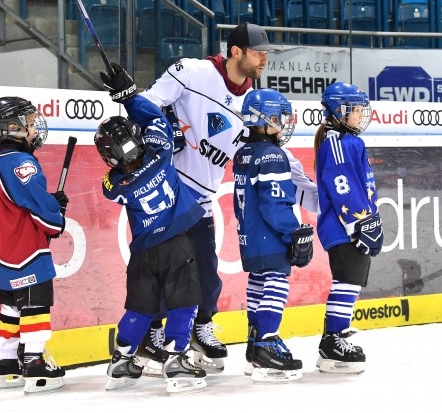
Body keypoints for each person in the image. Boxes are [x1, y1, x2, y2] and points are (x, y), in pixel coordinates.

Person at [140, 22, 319, 374]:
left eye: (267, 53)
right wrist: (163, 125)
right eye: (258, 52)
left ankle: (198, 328)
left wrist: (321, 198)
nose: (265, 59)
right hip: (170, 192)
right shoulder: (192, 71)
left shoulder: (253, 103)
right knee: (167, 272)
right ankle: (150, 335)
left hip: (203, 200)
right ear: (235, 51)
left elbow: (281, 161)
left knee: (208, 275)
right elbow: (147, 104)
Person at [96, 63, 207, 395]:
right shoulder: (159, 152)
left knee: (140, 306)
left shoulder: (114, 184)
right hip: (176, 244)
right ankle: (176, 356)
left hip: (143, 252)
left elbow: (111, 184)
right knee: (184, 299)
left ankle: (122, 357)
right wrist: (129, 96)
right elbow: (155, 120)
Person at [0, 97, 68, 394]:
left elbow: (12, 204)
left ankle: (5, 363)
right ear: (13, 128)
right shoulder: (22, 163)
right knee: (35, 305)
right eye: (29, 123)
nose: (35, 127)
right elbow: (36, 206)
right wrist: (55, 215)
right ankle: (33, 362)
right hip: (25, 251)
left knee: (10, 308)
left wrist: (48, 203)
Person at [233, 88, 314, 383]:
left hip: (249, 235)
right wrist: (292, 231)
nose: (284, 122)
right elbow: (275, 201)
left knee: (257, 282)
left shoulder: (243, 152)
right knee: (276, 281)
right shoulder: (272, 154)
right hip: (269, 234)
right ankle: (267, 341)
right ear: (263, 120)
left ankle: (255, 345)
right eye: (280, 117)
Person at [313, 82, 384, 374]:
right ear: (339, 110)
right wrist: (359, 224)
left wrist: (371, 217)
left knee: (351, 281)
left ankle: (335, 337)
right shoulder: (336, 142)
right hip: (344, 228)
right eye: (354, 109)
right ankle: (333, 341)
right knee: (346, 280)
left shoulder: (348, 141)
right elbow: (342, 185)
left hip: (352, 226)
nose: (359, 114)